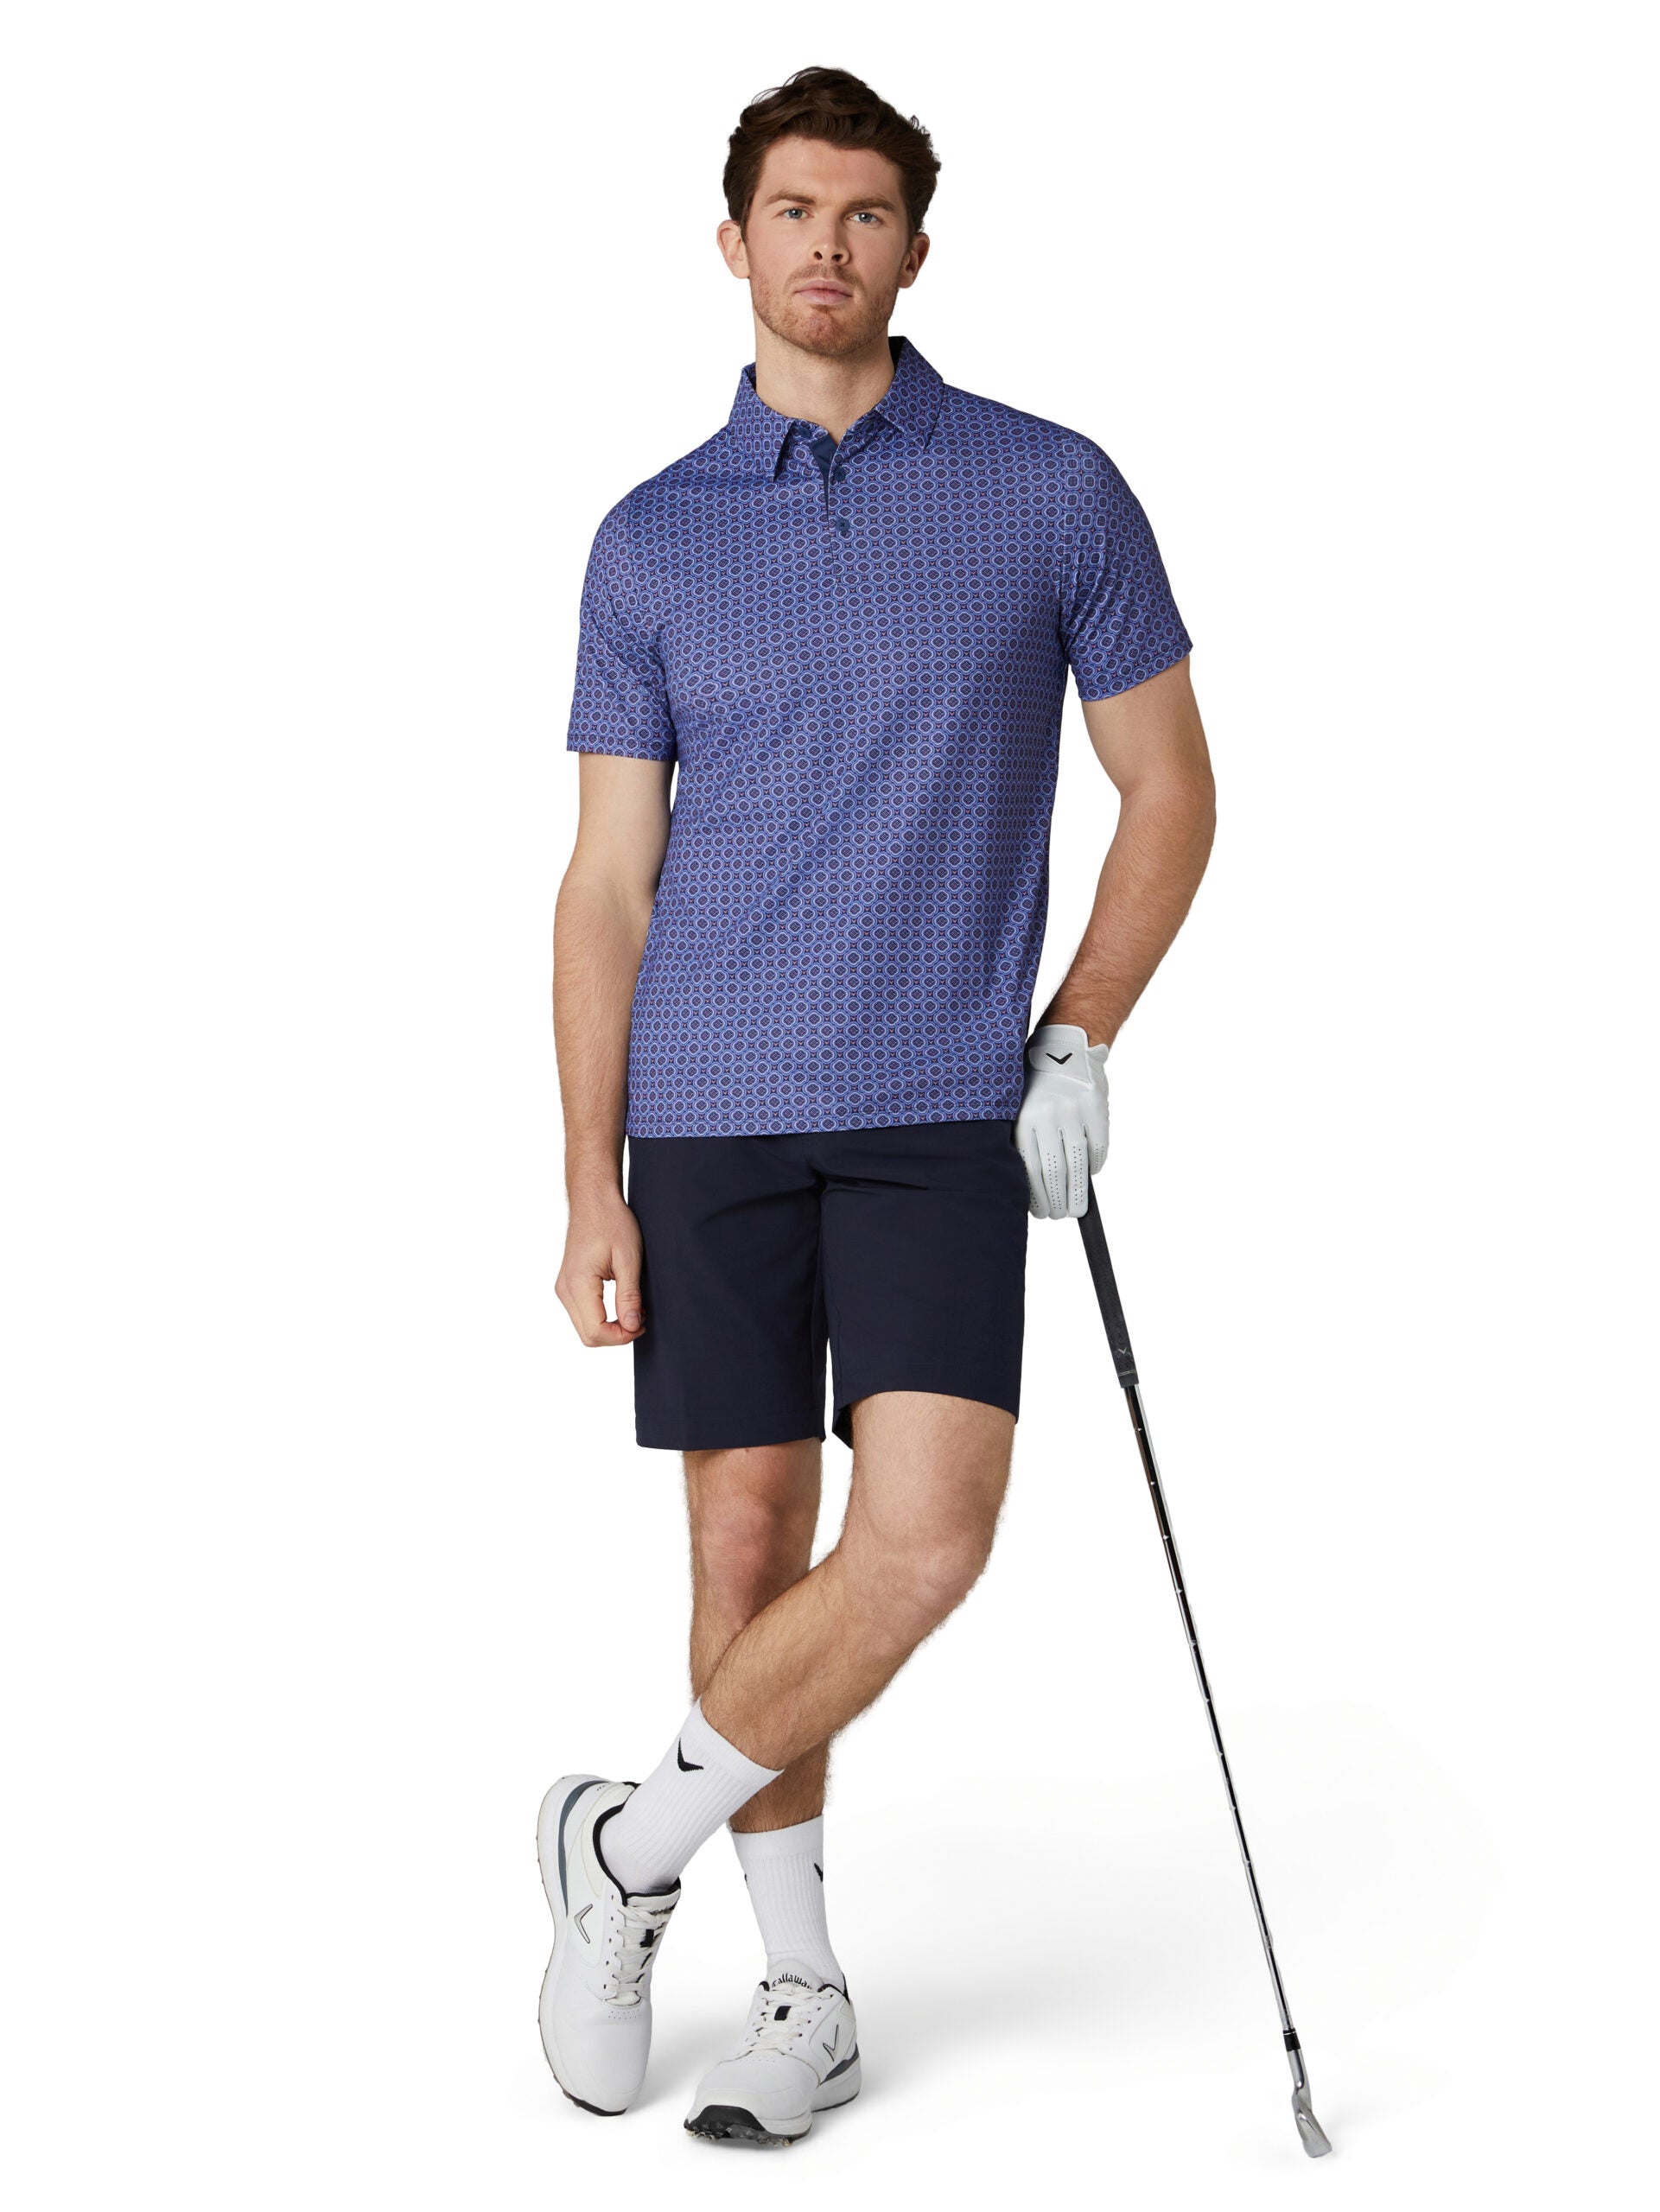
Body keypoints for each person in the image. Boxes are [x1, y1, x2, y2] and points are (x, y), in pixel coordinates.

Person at [544, 65, 1216, 2146]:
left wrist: (1079, 1032)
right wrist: (586, 1179)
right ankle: (800, 1987)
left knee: (920, 1540)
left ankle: (621, 1845)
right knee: (746, 1546)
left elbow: (1170, 790)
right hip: (709, 1108)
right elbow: (607, 882)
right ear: (730, 240)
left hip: (941, 1102)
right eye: (791, 208)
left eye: (862, 212)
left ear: (916, 248)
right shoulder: (649, 538)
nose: (825, 242)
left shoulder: (1049, 489)